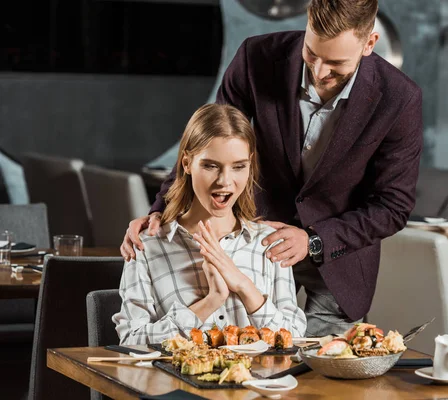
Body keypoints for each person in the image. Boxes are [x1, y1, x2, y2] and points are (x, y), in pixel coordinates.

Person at [121, 0, 422, 336]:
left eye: (336, 65)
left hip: (338, 262)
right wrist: (160, 211)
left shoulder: (399, 98)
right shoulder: (257, 58)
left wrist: (314, 240)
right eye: (311, 54)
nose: (319, 73)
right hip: (253, 248)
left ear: (369, 44)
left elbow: (393, 206)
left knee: (322, 381)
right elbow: (207, 141)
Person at [113, 104, 307, 345]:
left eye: (238, 166)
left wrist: (245, 287)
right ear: (186, 163)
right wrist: (211, 301)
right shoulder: (147, 246)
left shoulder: (269, 244)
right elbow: (131, 340)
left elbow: (295, 338)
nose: (225, 181)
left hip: (258, 383)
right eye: (210, 165)